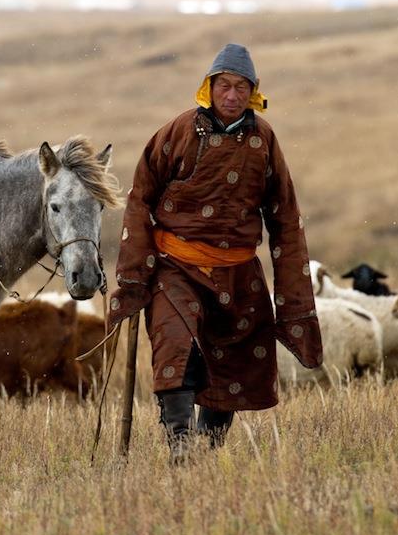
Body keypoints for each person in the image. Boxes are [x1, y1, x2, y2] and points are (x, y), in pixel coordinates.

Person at [107, 43, 323, 462]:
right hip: (176, 266)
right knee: (175, 345)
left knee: (232, 363)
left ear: (253, 92)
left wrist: (293, 301)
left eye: (241, 87)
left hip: (238, 271)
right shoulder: (177, 132)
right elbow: (139, 200)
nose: (232, 95)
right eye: (224, 85)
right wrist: (135, 276)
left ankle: (208, 447)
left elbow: (285, 220)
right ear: (209, 88)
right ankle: (180, 443)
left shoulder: (264, 141)